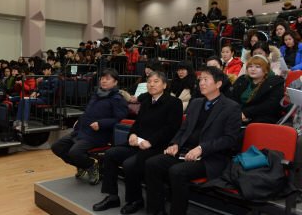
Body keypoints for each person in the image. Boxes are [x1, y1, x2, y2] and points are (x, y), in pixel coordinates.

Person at [145, 66, 241, 215]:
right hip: (185, 152)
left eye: (206, 79)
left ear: (218, 84)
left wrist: (202, 148)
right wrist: (175, 144)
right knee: (152, 163)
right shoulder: (196, 103)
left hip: (210, 158)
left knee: (177, 171)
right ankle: (156, 211)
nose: (201, 83)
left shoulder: (231, 107)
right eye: (200, 79)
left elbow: (230, 139)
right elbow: (183, 130)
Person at [93, 71, 183, 214]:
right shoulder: (146, 101)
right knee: (110, 154)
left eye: (156, 81)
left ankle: (135, 200)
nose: (151, 84)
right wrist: (132, 135)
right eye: (149, 82)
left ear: (165, 85)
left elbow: (171, 129)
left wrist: (150, 142)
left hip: (157, 147)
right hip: (138, 144)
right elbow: (137, 123)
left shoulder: (174, 103)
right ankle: (112, 196)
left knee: (130, 164)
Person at [51, 69, 128, 185]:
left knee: (74, 152)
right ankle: (82, 165)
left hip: (98, 135)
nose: (104, 81)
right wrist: (80, 120)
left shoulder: (117, 98)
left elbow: (119, 119)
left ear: (115, 82)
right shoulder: (97, 94)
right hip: (82, 131)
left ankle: (91, 165)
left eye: (108, 79)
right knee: (57, 147)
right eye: (102, 78)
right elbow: (88, 112)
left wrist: (101, 124)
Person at [232, 55, 284, 124]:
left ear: (266, 70)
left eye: (257, 67)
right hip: (239, 115)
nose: (253, 69)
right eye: (250, 66)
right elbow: (232, 98)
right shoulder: (242, 80)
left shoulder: (275, 82)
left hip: (263, 118)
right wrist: (238, 113)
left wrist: (247, 113)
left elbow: (269, 105)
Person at [14, 64, 59, 130]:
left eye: (45, 70)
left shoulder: (55, 79)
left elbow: (53, 92)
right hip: (41, 97)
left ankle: (25, 123)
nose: (44, 72)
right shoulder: (43, 78)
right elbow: (38, 88)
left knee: (27, 101)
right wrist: (35, 91)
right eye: (43, 70)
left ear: (49, 69)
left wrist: (40, 92)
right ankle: (18, 120)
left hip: (47, 99)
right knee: (22, 99)